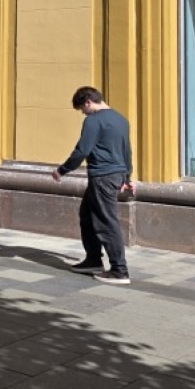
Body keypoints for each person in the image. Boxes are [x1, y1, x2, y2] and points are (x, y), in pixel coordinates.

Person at [51, 86, 137, 285]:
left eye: (82, 108)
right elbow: (127, 150)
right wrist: (127, 177)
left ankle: (119, 270)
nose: (83, 113)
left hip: (102, 176)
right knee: (87, 215)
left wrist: (62, 170)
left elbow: (82, 150)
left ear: (88, 101)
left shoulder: (93, 120)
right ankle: (93, 260)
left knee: (106, 221)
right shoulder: (121, 119)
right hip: (115, 175)